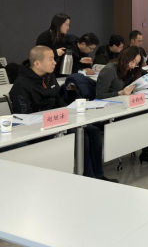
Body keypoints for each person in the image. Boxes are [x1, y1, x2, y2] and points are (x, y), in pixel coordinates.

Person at [10, 46, 117, 182]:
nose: (55, 62)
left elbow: (58, 100)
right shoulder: (21, 85)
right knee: (81, 135)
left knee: (94, 131)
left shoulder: (49, 76)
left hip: (58, 121)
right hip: (39, 128)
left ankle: (98, 175)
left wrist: (71, 113)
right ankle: (89, 178)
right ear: (37, 63)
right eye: (51, 59)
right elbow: (24, 117)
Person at [96, 47, 148, 165]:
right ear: (125, 57)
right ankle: (144, 151)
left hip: (125, 106)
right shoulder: (110, 70)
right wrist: (120, 93)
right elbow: (100, 96)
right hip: (111, 110)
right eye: (132, 61)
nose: (133, 66)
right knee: (143, 116)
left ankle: (146, 152)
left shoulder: (129, 70)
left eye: (136, 64)